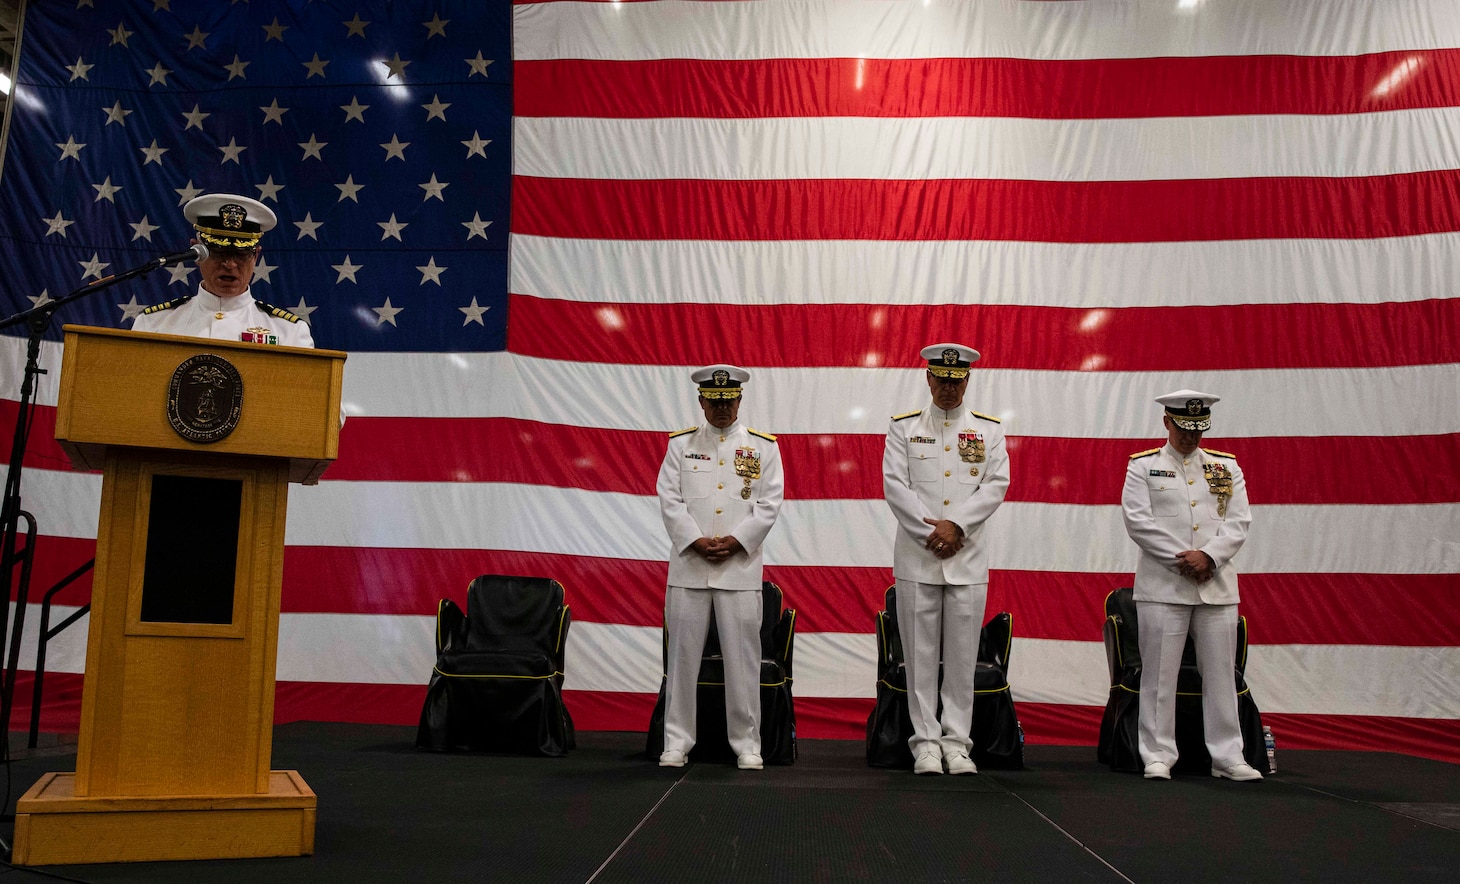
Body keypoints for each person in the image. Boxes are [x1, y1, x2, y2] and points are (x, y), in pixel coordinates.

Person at [882, 343, 1010, 775]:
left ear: (967, 380)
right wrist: (932, 531)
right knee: (918, 656)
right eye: (942, 379)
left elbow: (996, 485)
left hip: (967, 556)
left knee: (961, 657)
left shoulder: (989, 431)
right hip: (919, 556)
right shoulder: (903, 428)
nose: (949, 388)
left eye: (957, 380)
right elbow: (895, 487)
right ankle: (925, 745)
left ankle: (957, 744)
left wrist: (957, 526)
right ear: (929, 379)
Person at [1121, 390, 1262, 782]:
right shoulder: (1144, 467)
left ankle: (1228, 755)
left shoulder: (1225, 467)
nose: (1191, 437)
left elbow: (1239, 521)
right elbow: (1138, 521)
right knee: (1159, 674)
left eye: (1198, 429)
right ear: (1167, 422)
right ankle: (1158, 753)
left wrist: (1211, 557)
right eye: (1184, 428)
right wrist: (1186, 560)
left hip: (1215, 585)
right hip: (1164, 584)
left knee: (1221, 675)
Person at [655, 364, 784, 771]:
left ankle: (747, 743)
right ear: (702, 402)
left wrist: (735, 540)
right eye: (714, 401)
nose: (722, 408)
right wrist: (694, 540)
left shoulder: (764, 447)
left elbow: (769, 504)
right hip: (690, 567)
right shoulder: (680, 445)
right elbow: (669, 499)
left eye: (729, 400)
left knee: (743, 662)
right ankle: (677, 741)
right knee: (681, 661)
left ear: (740, 400)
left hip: (739, 569)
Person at [133, 193, 313, 347]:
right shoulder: (153, 324)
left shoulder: (290, 333)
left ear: (255, 256)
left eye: (241, 254)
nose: (230, 264)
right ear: (197, 252)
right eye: (218, 252)